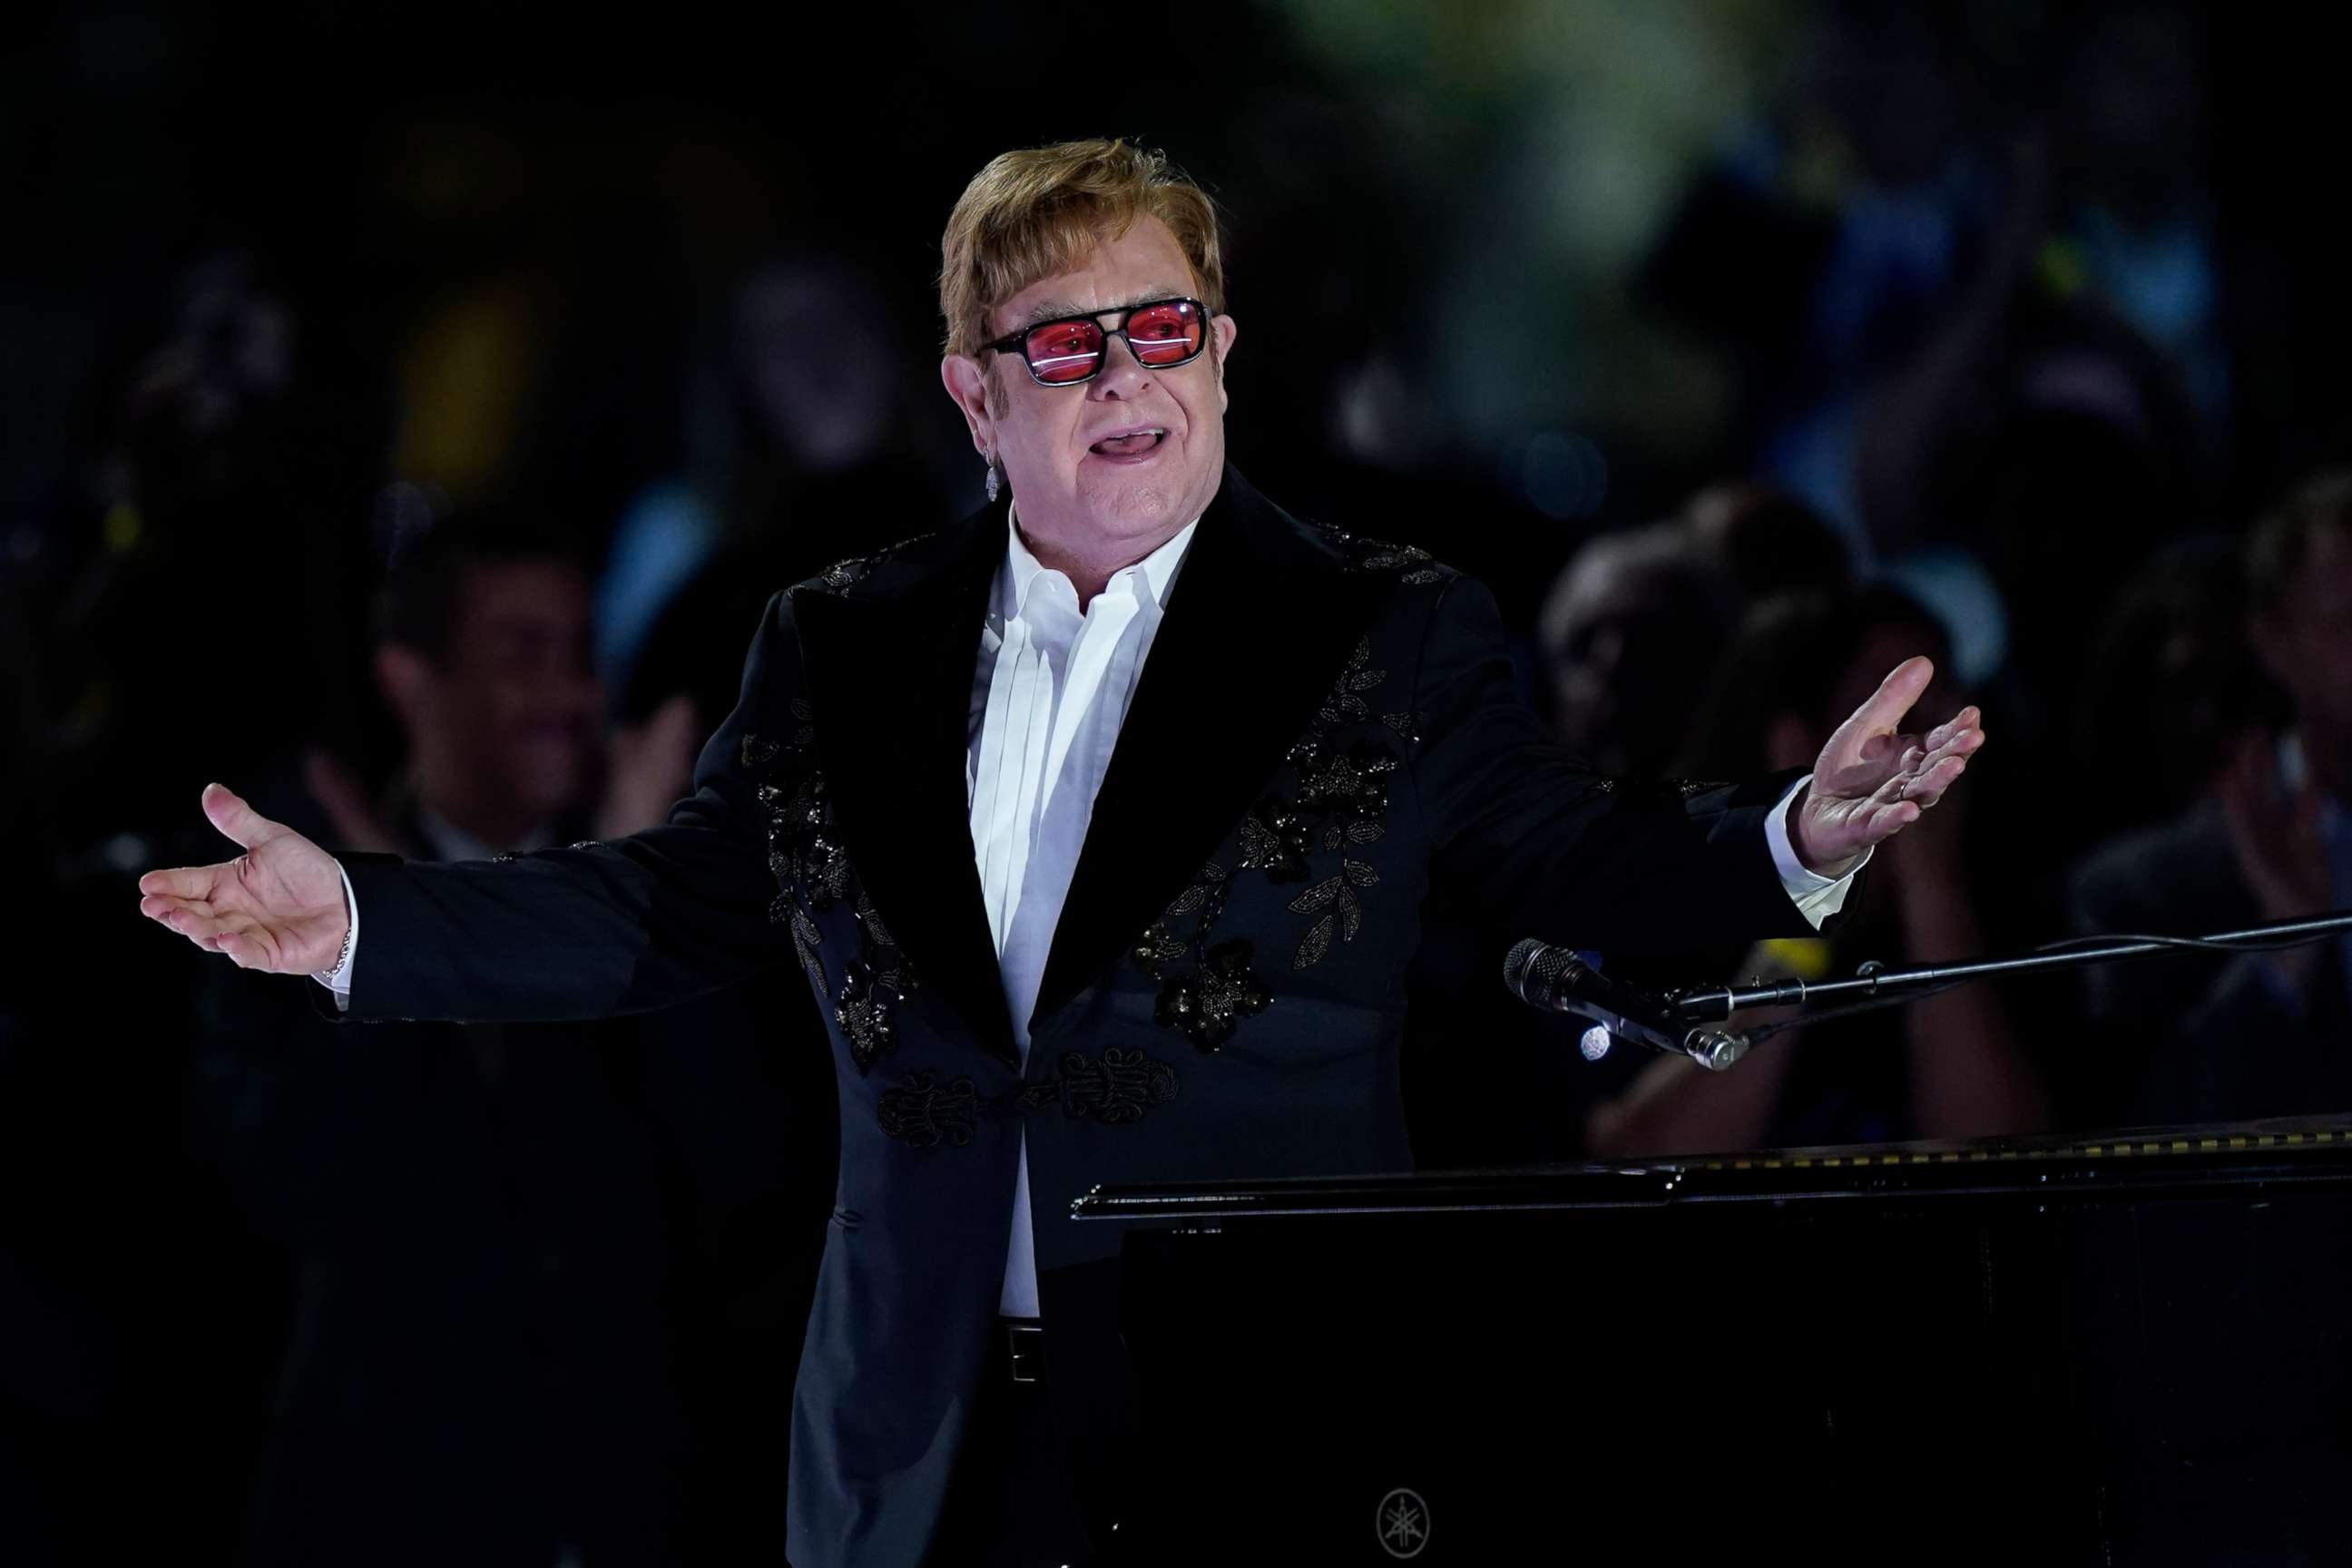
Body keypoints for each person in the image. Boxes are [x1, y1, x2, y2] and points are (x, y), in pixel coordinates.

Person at [140, 139, 1985, 1568]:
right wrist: (366, 925)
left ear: (1225, 350)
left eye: (1163, 324)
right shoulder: (841, 641)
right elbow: (668, 908)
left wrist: (1795, 838)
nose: (1126, 373)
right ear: (974, 394)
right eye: (1067, 340)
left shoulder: (1379, 633)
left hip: (1250, 1419)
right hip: (912, 1437)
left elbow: (1570, 858)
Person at [2070, 472, 2352, 1125]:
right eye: (2347, 623)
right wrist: (2283, 960)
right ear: (2274, 643)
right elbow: (2145, 1162)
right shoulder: (2143, 894)